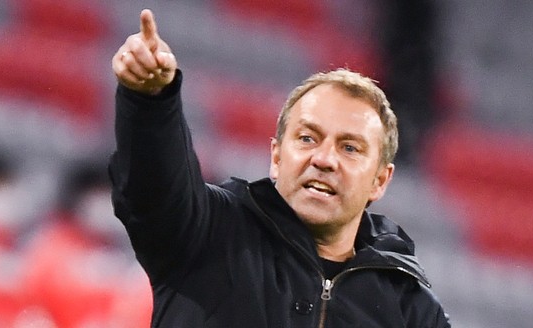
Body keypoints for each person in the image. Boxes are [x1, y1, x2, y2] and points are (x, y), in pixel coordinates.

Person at [109, 9, 451, 328]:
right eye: (307, 138)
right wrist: (150, 101)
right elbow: (153, 188)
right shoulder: (208, 231)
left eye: (349, 148)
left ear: (380, 180)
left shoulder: (413, 310)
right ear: (276, 157)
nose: (324, 159)